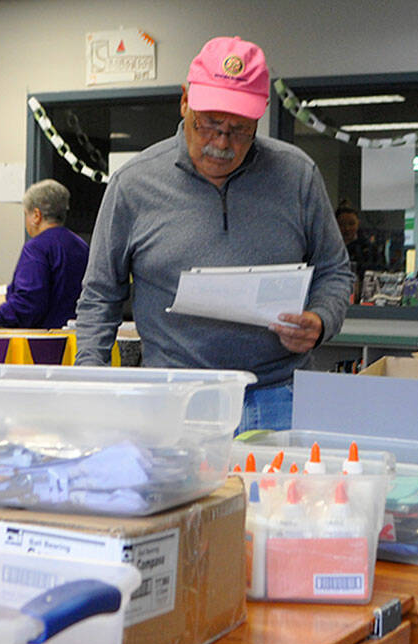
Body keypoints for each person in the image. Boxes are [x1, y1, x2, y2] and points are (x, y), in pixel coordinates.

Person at [75, 36, 353, 432]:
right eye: (209, 124)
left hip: (279, 397)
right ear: (185, 101)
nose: (221, 143)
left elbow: (335, 272)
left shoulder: (297, 176)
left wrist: (321, 319)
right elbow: (100, 294)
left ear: (260, 118)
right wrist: (90, 379)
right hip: (174, 400)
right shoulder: (133, 185)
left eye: (239, 130)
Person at [0, 179, 88, 330]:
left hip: (42, 343)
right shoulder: (81, 246)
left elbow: (28, 302)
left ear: (36, 215)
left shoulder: (37, 248)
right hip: (76, 338)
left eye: (26, 214)